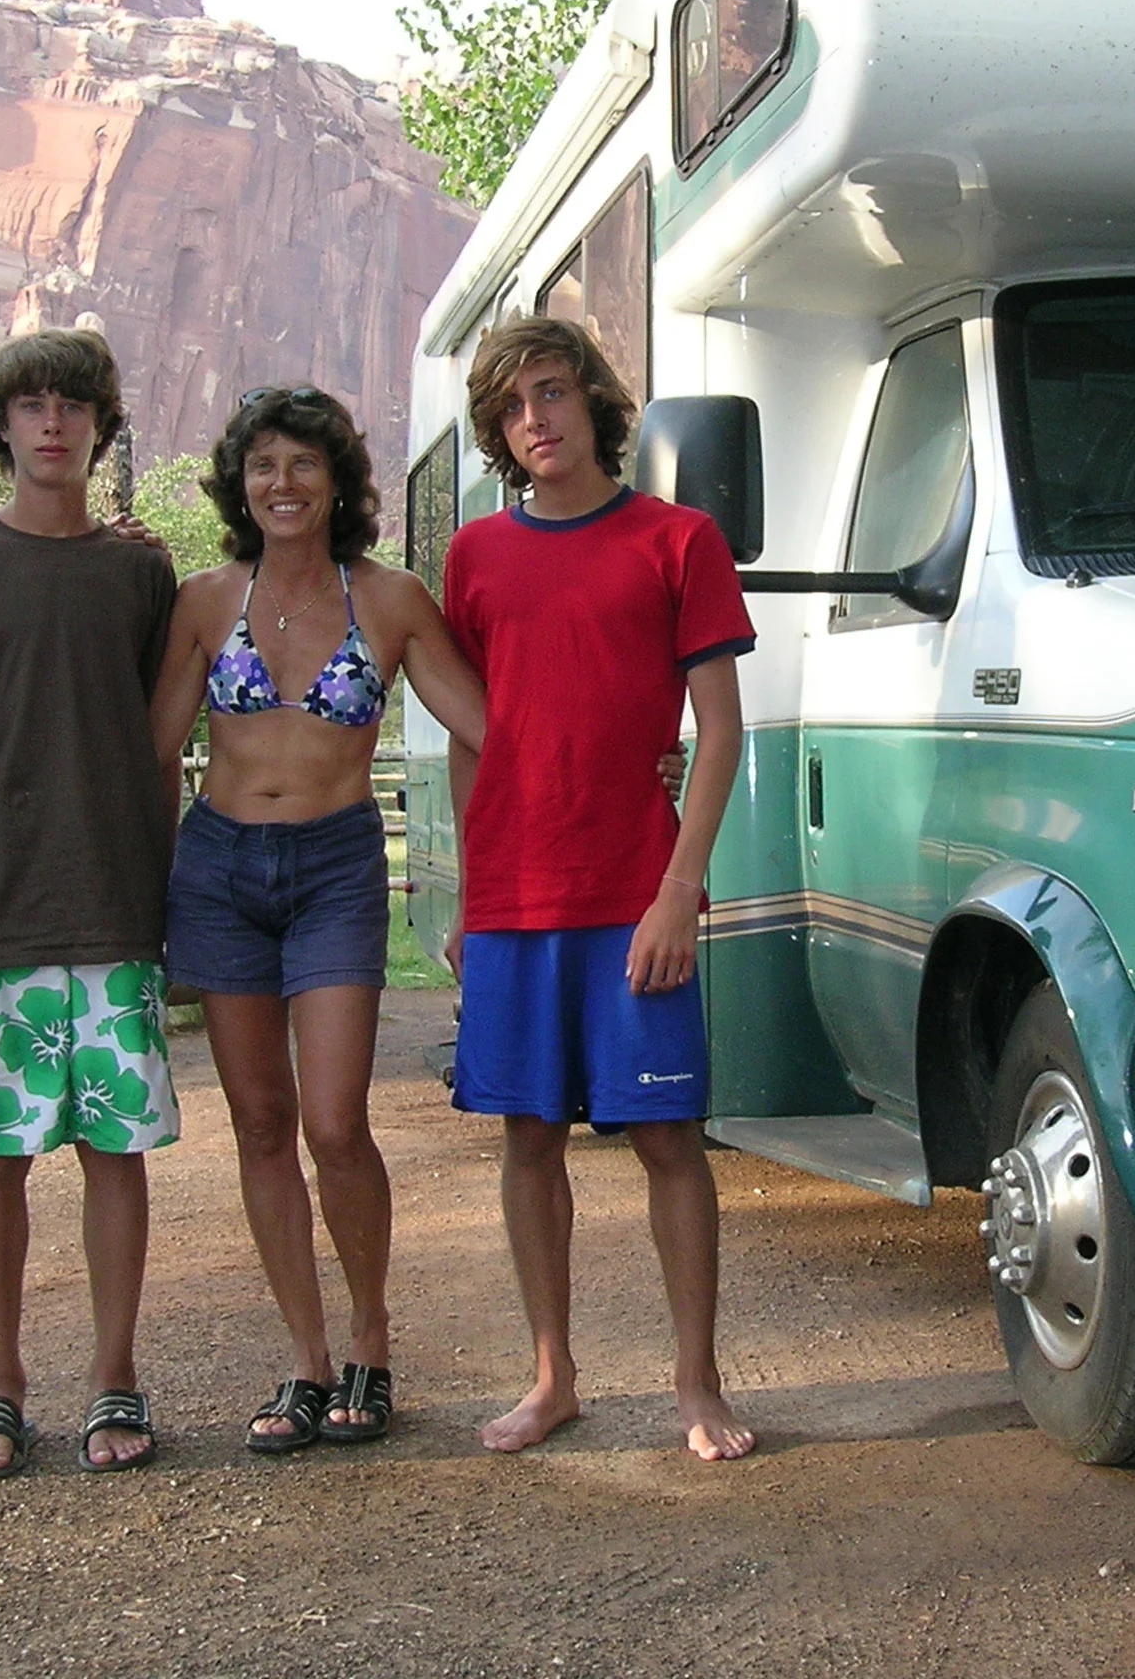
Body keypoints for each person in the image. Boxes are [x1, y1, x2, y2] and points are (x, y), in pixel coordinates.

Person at [145, 386, 487, 1452]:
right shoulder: (205, 600)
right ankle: (304, 1357)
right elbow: (154, 750)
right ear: (237, 483)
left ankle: (371, 1340)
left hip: (336, 867)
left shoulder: (389, 600)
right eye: (262, 464)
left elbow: (489, 725)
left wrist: (481, 878)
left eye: (303, 463)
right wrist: (146, 886)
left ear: (338, 479)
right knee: (259, 1122)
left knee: (336, 1120)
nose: (281, 483)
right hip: (219, 867)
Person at [444, 315, 757, 1462]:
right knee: (528, 1137)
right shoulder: (474, 558)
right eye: (514, 404)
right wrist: (468, 905)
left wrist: (681, 888)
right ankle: (552, 1376)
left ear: (593, 405)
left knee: (668, 1138)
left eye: (552, 391)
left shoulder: (678, 540)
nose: (537, 417)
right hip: (517, 898)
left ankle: (696, 1381)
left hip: (636, 891)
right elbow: (473, 738)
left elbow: (718, 733)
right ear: (497, 430)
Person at [0, 327, 179, 1478]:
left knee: (115, 1152)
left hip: (117, 902)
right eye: (31, 405)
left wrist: (172, 893)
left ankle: (115, 1377)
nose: (53, 422)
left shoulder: (140, 572)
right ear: (1, 424)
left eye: (75, 405)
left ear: (101, 426)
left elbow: (166, 735)